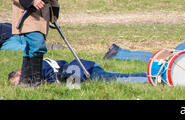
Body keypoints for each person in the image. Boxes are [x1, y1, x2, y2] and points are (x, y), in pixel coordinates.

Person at [8, 58, 149, 85]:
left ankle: (152, 78)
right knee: (117, 77)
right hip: (82, 69)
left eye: (19, 81)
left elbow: (53, 76)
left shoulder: (39, 66)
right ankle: (150, 77)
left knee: (118, 79)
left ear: (21, 71)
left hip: (83, 70)